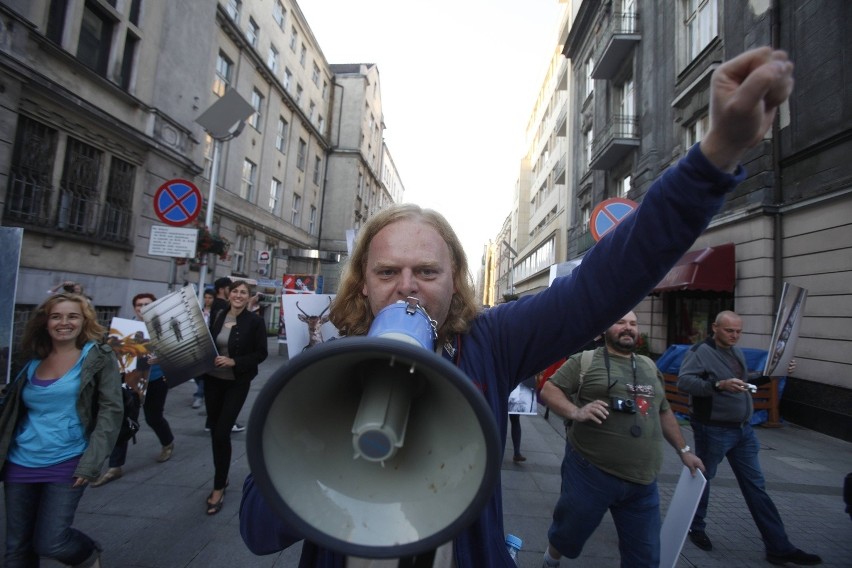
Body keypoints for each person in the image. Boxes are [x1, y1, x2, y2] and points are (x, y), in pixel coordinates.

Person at [238, 47, 795, 566]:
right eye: (388, 272)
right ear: (362, 284)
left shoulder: (491, 341)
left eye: (427, 272)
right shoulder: (319, 364)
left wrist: (716, 153)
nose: (407, 287)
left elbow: (606, 281)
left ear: (456, 282)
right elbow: (261, 534)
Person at [539, 311, 703, 567]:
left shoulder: (649, 366)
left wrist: (684, 450)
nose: (628, 328)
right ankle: (552, 558)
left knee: (645, 558)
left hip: (643, 482)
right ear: (605, 329)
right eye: (620, 322)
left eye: (633, 324)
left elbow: (663, 410)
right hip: (590, 472)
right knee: (568, 536)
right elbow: (549, 389)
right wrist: (576, 411)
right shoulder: (585, 361)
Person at [677, 310, 822, 565]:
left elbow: (744, 382)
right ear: (715, 327)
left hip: (743, 431)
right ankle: (695, 527)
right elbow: (684, 383)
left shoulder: (736, 352)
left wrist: (772, 373)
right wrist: (718, 385)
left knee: (756, 487)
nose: (735, 336)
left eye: (738, 331)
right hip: (713, 429)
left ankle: (779, 546)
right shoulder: (700, 352)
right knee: (703, 480)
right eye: (729, 330)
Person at [1, 292, 122, 566]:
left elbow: (110, 411)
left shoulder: (97, 357)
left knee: (51, 541)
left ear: (83, 322)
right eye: (56, 316)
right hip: (20, 460)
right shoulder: (29, 359)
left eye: (72, 316)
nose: (63, 322)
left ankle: (89, 553)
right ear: (46, 322)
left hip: (67, 460)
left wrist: (91, 462)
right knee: (16, 548)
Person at [92, 293, 176, 487]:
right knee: (123, 419)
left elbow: (176, 354)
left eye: (147, 304)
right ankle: (115, 466)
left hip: (156, 379)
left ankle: (167, 441)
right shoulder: (125, 328)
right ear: (134, 308)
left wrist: (162, 360)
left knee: (153, 417)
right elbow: (114, 355)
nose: (142, 307)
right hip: (130, 380)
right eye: (139, 305)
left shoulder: (163, 328)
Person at [202, 279, 268, 515]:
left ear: (249, 297)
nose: (239, 295)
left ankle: (218, 487)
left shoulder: (255, 322)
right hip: (212, 380)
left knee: (222, 432)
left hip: (236, 383)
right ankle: (223, 475)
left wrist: (235, 361)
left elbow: (261, 353)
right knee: (215, 431)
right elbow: (207, 343)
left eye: (244, 292)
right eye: (236, 291)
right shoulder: (218, 314)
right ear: (229, 294)